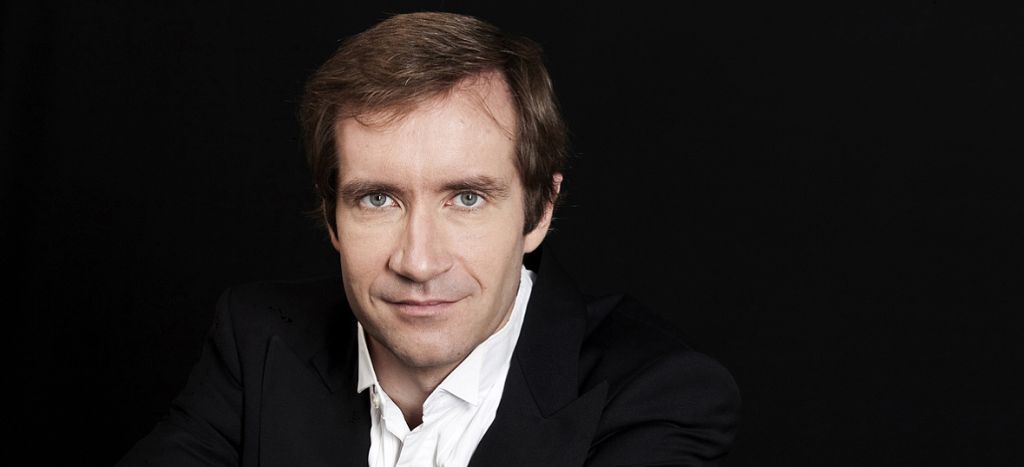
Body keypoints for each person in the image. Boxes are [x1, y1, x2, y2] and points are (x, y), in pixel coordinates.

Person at [118, 11, 740, 467]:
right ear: (331, 218)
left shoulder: (657, 395)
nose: (418, 262)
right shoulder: (256, 339)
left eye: (466, 198)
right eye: (378, 199)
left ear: (539, 212)